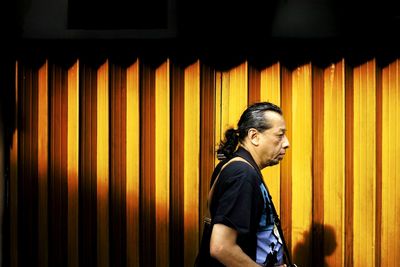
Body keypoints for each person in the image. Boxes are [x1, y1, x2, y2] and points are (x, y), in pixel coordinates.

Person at [209, 102, 290, 267]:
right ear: (254, 136)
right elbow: (221, 247)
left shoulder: (242, 168)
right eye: (280, 135)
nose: (286, 143)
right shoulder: (242, 174)